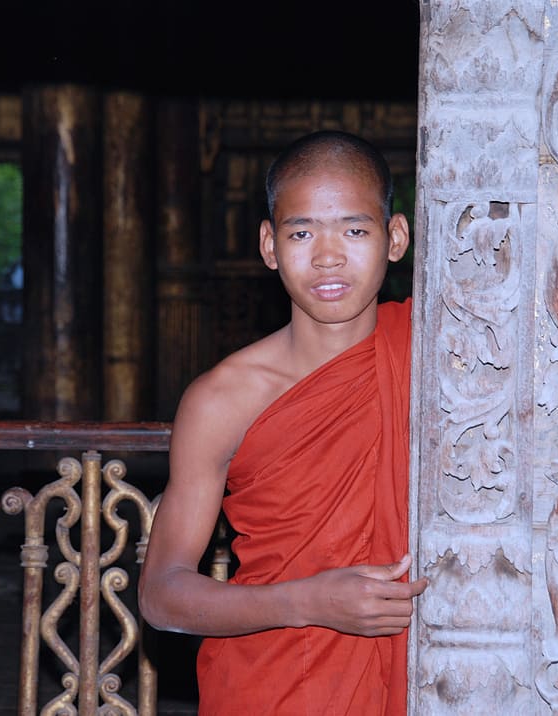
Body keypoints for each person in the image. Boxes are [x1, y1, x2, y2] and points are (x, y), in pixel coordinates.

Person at [139, 130, 428, 715]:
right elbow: (161, 594)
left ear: (395, 238)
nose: (327, 256)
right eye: (301, 233)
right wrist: (309, 602)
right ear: (269, 245)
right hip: (272, 682)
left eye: (354, 230)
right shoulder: (221, 399)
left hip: (425, 672)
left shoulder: (440, 362)